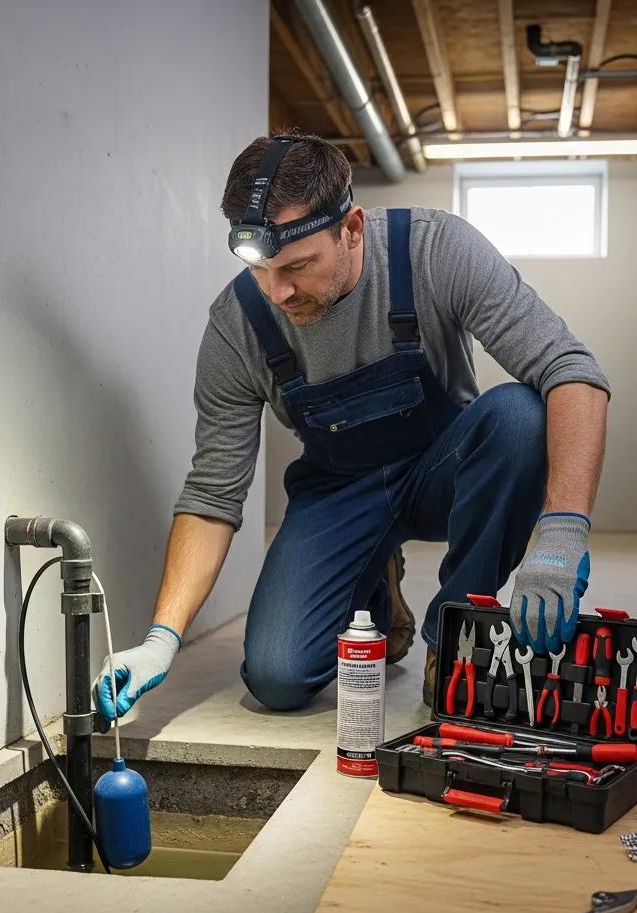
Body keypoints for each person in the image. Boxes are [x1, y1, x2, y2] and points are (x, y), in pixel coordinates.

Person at [94, 132, 609, 724]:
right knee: (277, 676)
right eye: (260, 269)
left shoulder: (433, 250)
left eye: (297, 266)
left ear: (353, 229)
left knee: (520, 416)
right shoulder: (236, 328)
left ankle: (454, 638)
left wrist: (562, 532)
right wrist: (162, 639)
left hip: (443, 474)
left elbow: (573, 371)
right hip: (340, 490)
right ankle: (375, 581)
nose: (278, 292)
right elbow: (212, 494)